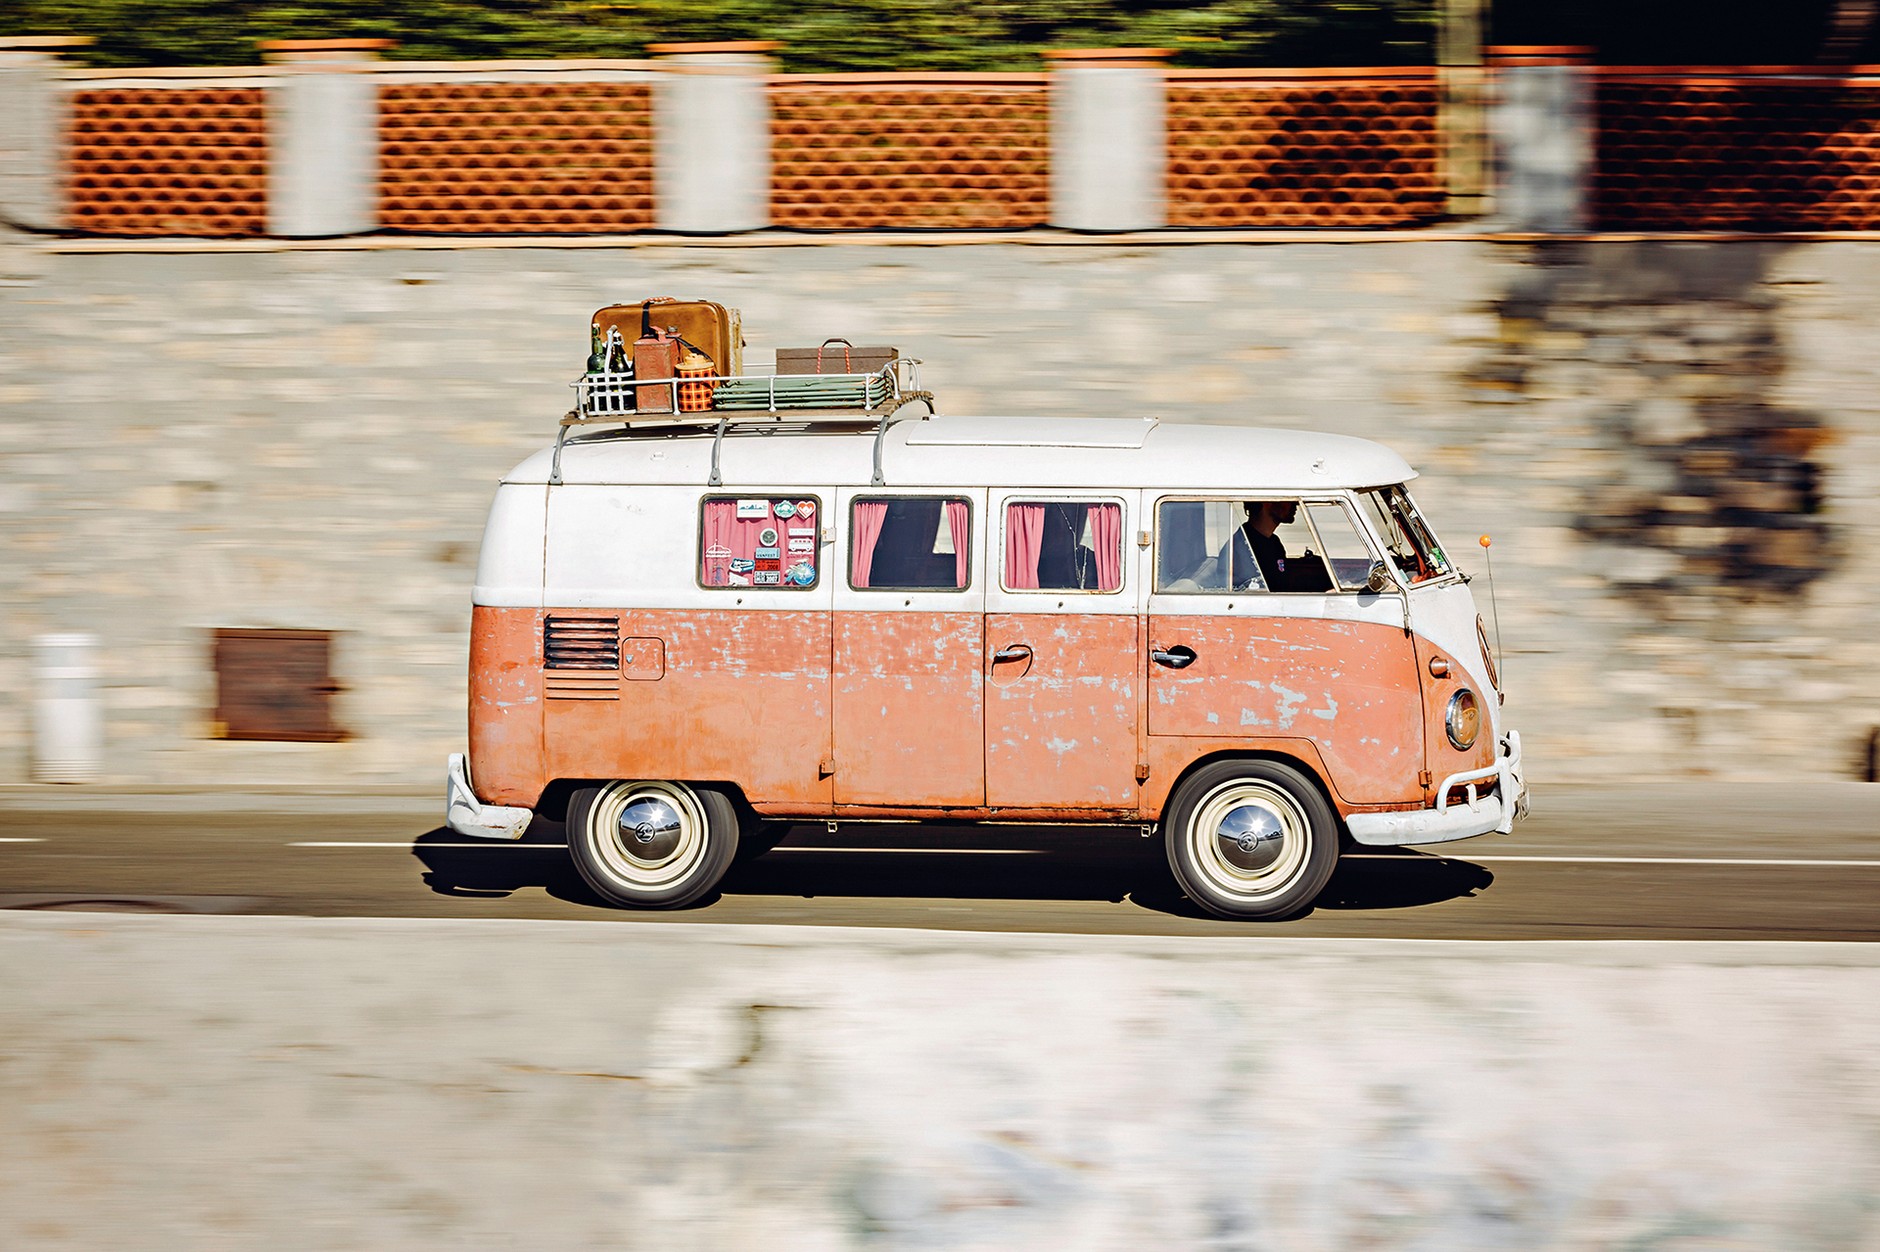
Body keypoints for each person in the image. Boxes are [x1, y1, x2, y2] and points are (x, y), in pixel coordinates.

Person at [1224, 500, 1330, 592]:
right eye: (1286, 499)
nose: (1295, 505)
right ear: (1267, 503)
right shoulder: (1241, 547)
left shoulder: (1274, 543)